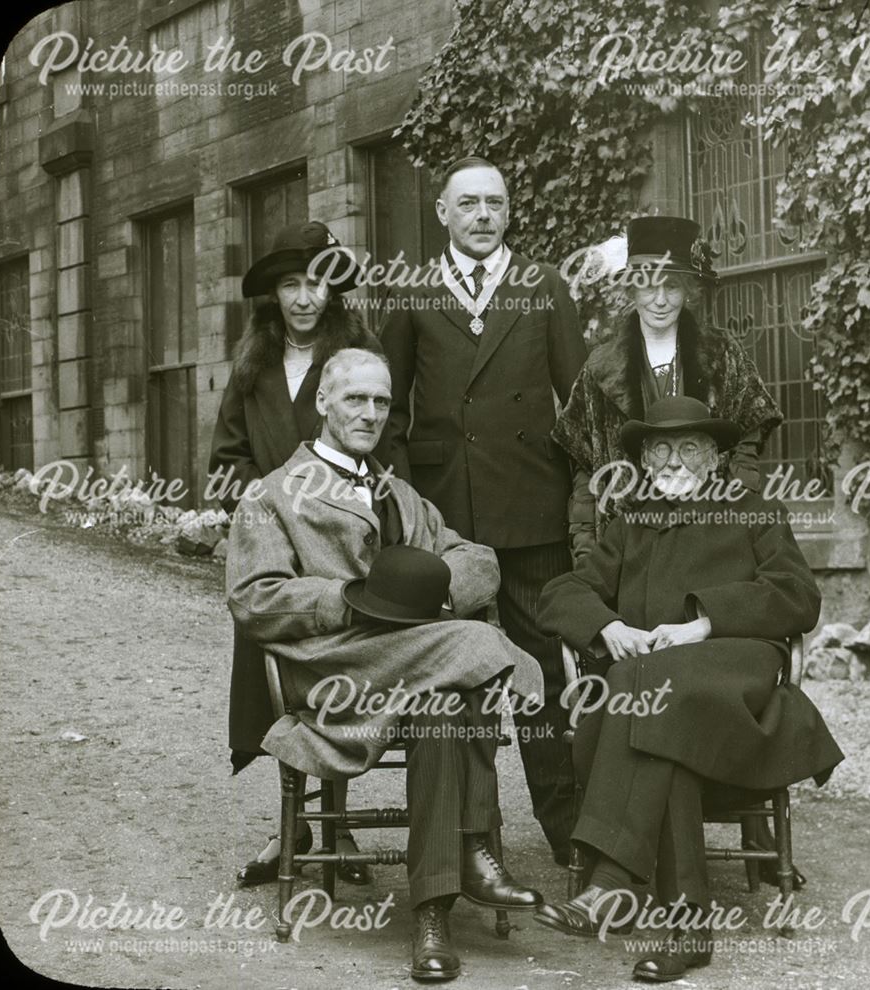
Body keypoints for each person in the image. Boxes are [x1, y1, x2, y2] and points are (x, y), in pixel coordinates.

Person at [226, 347, 545, 981]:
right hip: (336, 671)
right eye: (355, 399)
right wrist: (346, 600)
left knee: (448, 698)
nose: (370, 414)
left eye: (381, 402)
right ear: (322, 402)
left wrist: (432, 589)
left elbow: (479, 559)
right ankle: (476, 845)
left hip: (416, 667)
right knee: (473, 653)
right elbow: (252, 598)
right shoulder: (273, 496)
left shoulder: (400, 493)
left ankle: (433, 914)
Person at [534, 397, 843, 983]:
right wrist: (608, 625)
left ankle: (610, 883)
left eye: (689, 449)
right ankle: (687, 929)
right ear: (646, 462)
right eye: (661, 450)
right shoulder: (631, 526)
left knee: (645, 686)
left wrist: (704, 623)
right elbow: (563, 593)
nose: (673, 460)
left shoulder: (753, 511)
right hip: (657, 701)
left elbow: (799, 598)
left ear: (714, 459)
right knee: (655, 707)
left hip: (736, 686)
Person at [379, 155, 588, 866]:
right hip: (446, 519)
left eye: (494, 203)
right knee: (454, 676)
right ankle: (473, 841)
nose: (482, 216)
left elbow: (581, 402)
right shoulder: (410, 295)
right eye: (467, 204)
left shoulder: (545, 286)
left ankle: (570, 835)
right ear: (442, 213)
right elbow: (389, 414)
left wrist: (585, 495)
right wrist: (410, 506)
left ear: (509, 211)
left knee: (545, 681)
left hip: (532, 509)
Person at [209, 220, 378, 887]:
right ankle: (293, 826)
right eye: (290, 284)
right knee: (279, 691)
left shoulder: (358, 359)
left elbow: (383, 443)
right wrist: (262, 517)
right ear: (272, 296)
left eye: (316, 282)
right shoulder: (252, 368)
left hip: (344, 552)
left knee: (337, 684)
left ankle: (336, 825)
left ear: (333, 290)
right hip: (273, 559)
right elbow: (225, 462)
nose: (304, 297)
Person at [552, 215, 782, 559]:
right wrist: (585, 542)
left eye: (671, 286)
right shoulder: (599, 368)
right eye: (648, 285)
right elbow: (583, 463)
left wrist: (738, 503)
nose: (659, 300)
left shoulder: (721, 353)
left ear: (687, 292)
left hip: (708, 534)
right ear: (632, 290)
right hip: (626, 539)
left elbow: (749, 431)